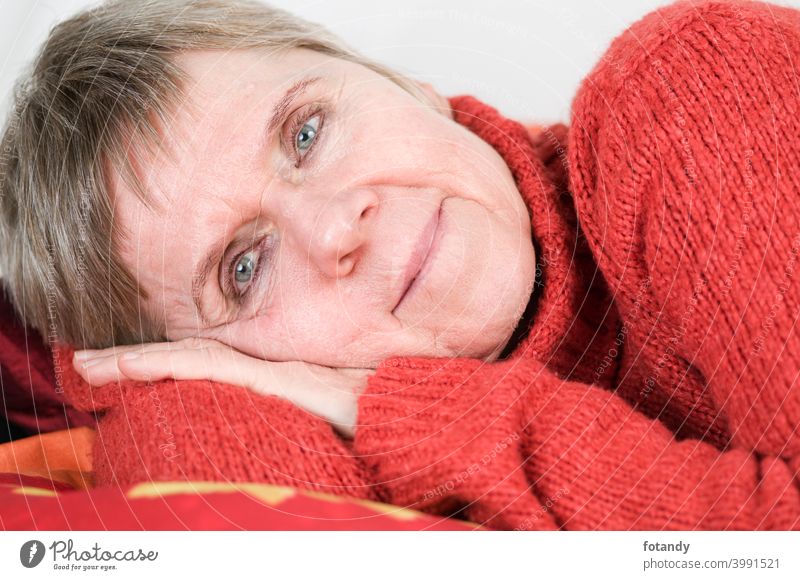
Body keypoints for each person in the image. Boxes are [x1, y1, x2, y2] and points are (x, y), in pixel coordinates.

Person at [3, 0, 800, 529]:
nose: (334, 228)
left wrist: (439, 417)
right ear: (198, 360)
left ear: (410, 88)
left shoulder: (688, 96)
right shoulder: (215, 401)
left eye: (306, 132)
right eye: (243, 269)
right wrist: (176, 404)